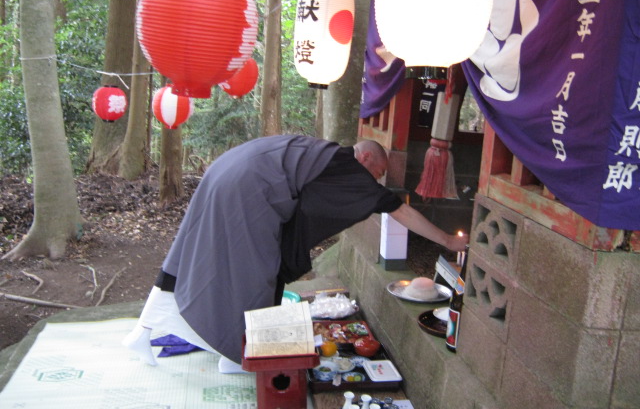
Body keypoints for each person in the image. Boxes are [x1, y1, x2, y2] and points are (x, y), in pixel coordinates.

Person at [123, 135, 468, 371]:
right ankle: (236, 353)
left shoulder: (322, 153)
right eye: (377, 173)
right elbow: (398, 210)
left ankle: (145, 333)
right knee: (254, 274)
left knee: (189, 252)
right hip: (248, 188)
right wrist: (448, 242)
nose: (374, 184)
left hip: (226, 171)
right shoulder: (347, 167)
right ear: (364, 158)